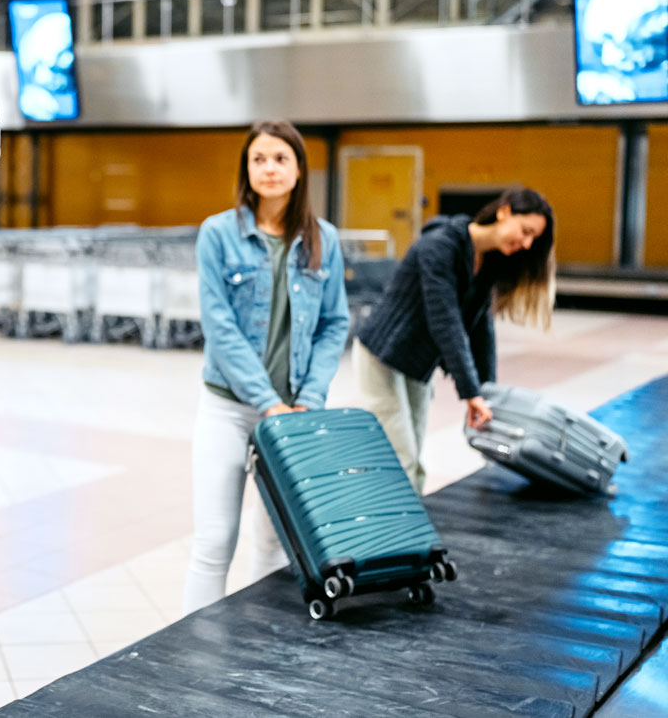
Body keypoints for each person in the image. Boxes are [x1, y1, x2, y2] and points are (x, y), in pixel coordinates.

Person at [182, 121, 350, 614]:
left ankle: (258, 650)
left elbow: (334, 324)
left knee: (276, 544)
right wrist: (267, 402)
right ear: (246, 170)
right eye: (259, 159)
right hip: (229, 409)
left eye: (281, 158)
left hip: (294, 415)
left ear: (299, 170)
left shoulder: (324, 239)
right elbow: (220, 328)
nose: (269, 168)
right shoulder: (218, 234)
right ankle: (200, 649)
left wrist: (308, 400)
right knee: (214, 541)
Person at [352, 187, 555, 494]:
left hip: (416, 362)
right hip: (380, 355)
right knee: (401, 459)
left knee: (414, 456)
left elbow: (481, 329)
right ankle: (395, 523)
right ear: (504, 212)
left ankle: (408, 520)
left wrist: (487, 392)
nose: (526, 244)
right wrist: (470, 392)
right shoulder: (439, 245)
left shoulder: (489, 260)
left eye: (533, 239)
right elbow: (445, 321)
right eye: (525, 231)